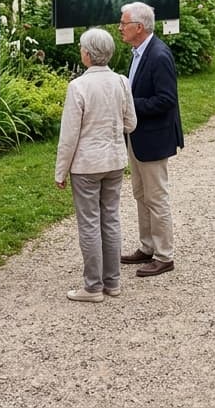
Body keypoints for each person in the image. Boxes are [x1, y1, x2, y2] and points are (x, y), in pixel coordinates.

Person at [55, 27, 137, 303]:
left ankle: (92, 287)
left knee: (89, 223)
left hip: (86, 166)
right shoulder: (122, 82)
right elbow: (131, 123)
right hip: (114, 161)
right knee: (111, 219)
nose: (81, 51)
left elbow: (69, 136)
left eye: (82, 48)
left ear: (88, 54)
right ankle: (112, 282)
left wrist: (60, 171)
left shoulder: (78, 86)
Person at [118, 1, 184, 277]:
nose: (120, 28)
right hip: (137, 137)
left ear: (139, 27)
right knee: (140, 194)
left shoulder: (158, 55)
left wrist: (129, 105)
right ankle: (147, 247)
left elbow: (167, 100)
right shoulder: (138, 52)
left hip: (153, 139)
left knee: (156, 197)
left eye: (123, 24)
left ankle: (164, 255)